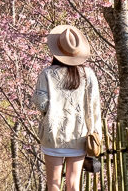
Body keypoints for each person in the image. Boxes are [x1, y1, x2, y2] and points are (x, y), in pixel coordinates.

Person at [30, 24, 102, 191]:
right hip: (78, 135)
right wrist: (95, 131)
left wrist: (52, 109)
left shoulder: (47, 74)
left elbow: (40, 102)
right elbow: (94, 105)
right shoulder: (88, 74)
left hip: (53, 134)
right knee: (73, 184)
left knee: (54, 183)